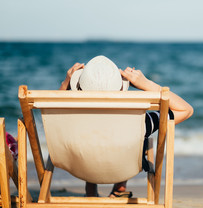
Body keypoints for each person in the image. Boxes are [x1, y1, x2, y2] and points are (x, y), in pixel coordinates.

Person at [59, 56, 193, 197]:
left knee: (90, 140)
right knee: (137, 138)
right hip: (123, 168)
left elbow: (53, 112)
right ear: (121, 88)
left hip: (80, 168)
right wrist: (147, 84)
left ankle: (91, 190)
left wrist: (65, 83)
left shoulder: (71, 119)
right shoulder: (138, 120)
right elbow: (186, 110)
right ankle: (119, 188)